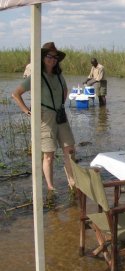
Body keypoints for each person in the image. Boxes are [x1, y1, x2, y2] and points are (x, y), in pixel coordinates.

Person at [11, 42, 76, 205]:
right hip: (44, 116)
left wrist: (60, 105)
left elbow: (65, 91)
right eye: (49, 56)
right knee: (49, 154)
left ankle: (73, 183)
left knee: (70, 150)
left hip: (60, 115)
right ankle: (50, 188)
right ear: (42, 57)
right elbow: (16, 93)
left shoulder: (59, 76)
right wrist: (28, 112)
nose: (53, 60)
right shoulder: (36, 76)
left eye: (55, 57)